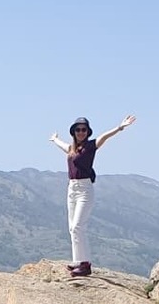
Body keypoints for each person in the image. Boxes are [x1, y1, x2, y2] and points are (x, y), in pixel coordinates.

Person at [49, 114, 137, 277]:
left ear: (88, 132)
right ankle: (78, 261)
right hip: (72, 189)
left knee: (78, 226)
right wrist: (55, 139)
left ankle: (85, 264)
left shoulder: (91, 146)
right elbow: (63, 146)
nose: (81, 132)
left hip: (84, 189)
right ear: (74, 132)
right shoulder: (72, 149)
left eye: (84, 129)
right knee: (72, 228)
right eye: (78, 130)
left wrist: (120, 127)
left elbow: (104, 137)